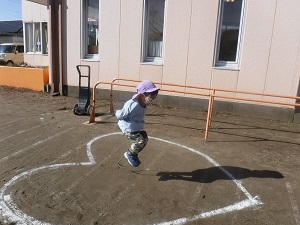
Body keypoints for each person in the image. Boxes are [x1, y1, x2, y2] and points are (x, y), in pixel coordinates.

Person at [115, 80, 159, 167]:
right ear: (142, 95)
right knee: (141, 140)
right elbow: (123, 114)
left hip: (136, 127)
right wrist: (117, 114)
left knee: (145, 139)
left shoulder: (144, 104)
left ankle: (132, 153)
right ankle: (130, 154)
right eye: (151, 98)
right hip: (128, 127)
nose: (152, 101)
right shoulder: (132, 104)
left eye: (153, 99)